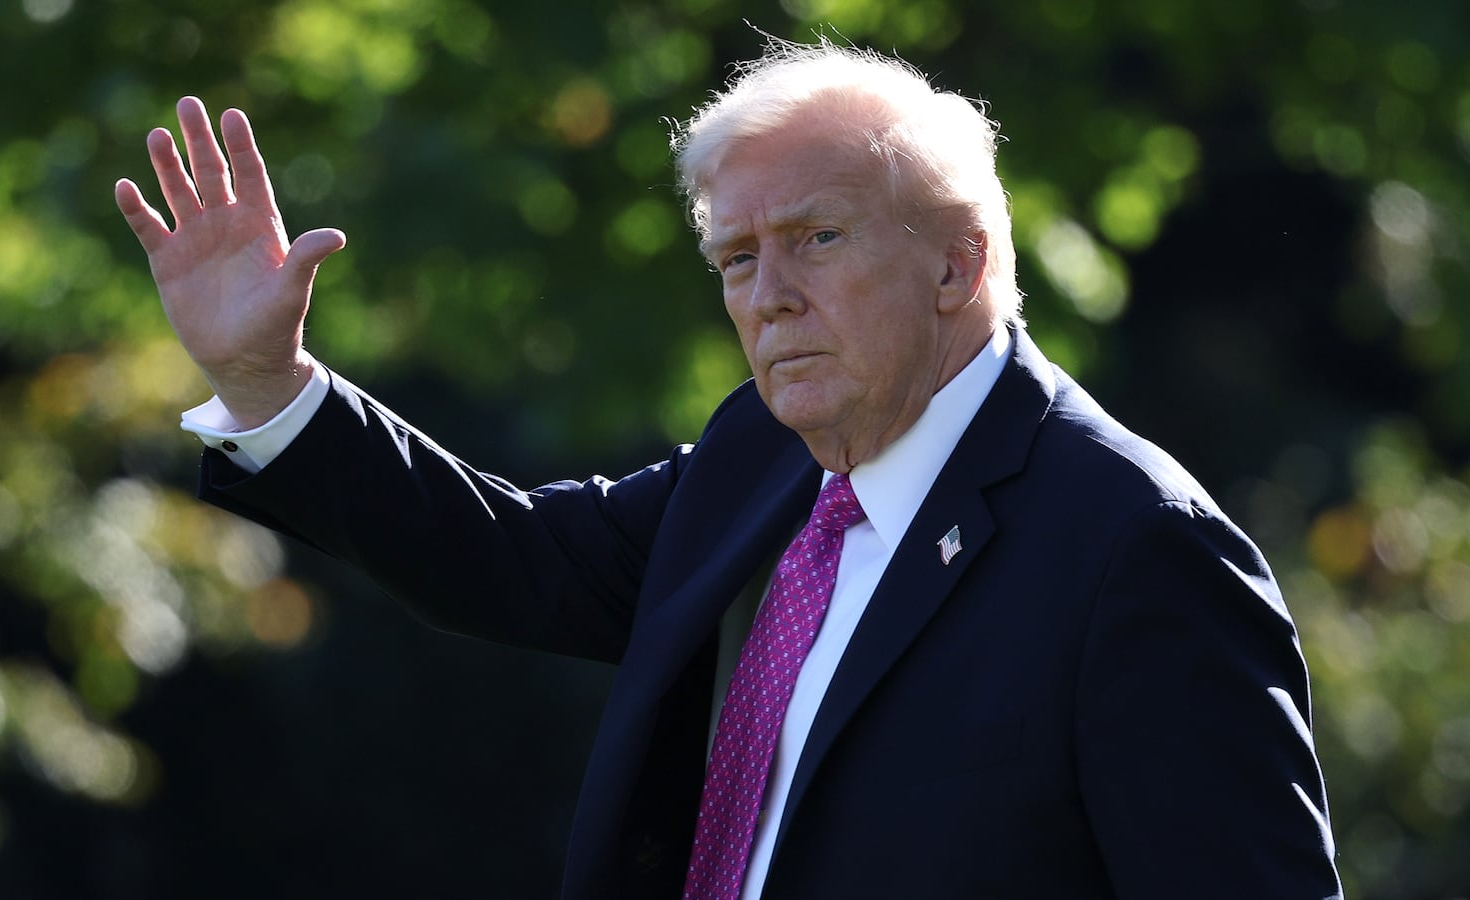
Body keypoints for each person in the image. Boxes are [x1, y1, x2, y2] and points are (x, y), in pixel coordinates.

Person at [115, 38, 1343, 900]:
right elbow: (514, 560)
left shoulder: (1133, 546)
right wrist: (270, 383)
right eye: (735, 258)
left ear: (958, 268)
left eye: (815, 238)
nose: (768, 296)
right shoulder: (762, 459)